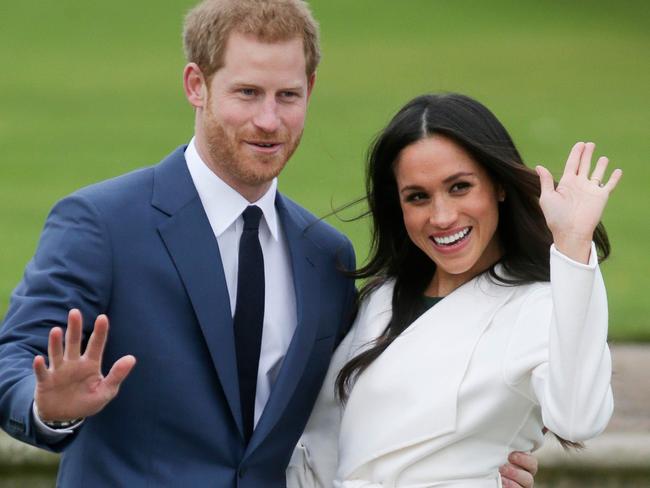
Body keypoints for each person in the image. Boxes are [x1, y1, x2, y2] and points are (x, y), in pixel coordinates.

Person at [0, 1, 536, 486]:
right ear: (196, 84)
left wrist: (468, 462)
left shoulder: (326, 256)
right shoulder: (101, 223)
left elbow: (347, 412)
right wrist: (51, 409)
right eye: (247, 93)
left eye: (288, 95)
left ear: (311, 90)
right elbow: (13, 360)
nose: (269, 120)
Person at [287, 93, 620, 487]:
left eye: (460, 187)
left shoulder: (539, 304)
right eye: (418, 197)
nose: (442, 217)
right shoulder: (381, 297)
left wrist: (572, 245)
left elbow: (579, 419)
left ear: (498, 185)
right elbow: (322, 444)